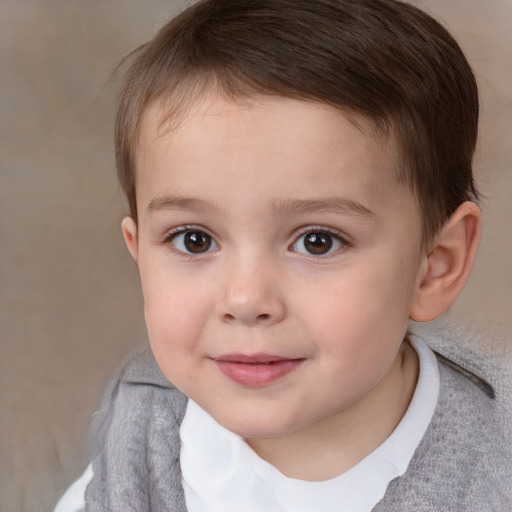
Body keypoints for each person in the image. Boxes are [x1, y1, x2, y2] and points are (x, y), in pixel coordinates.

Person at [55, 0, 512, 510]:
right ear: (140, 256)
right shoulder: (139, 435)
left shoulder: (494, 465)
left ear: (435, 266)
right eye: (194, 240)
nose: (247, 299)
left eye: (318, 241)